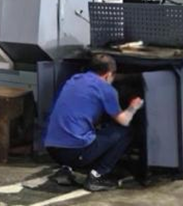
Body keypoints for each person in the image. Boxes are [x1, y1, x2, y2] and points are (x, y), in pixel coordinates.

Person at [44, 55, 144, 192]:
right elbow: (124, 120)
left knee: (86, 129)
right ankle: (97, 176)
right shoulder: (107, 90)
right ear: (109, 74)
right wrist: (133, 107)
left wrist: (127, 77)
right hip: (74, 152)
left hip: (52, 148)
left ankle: (65, 170)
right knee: (126, 131)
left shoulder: (75, 79)